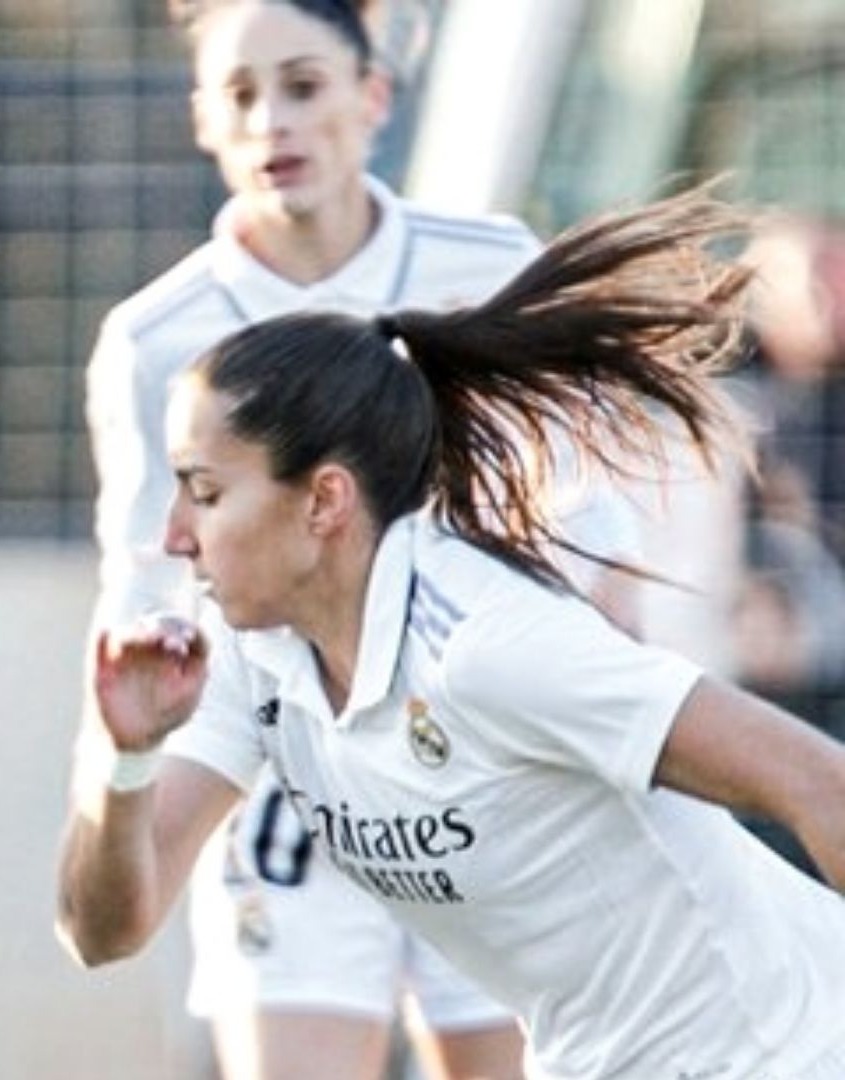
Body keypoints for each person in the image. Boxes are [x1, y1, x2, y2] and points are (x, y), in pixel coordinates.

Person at [57, 188, 845, 1079]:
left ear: (323, 502)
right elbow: (102, 930)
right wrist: (125, 761)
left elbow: (821, 784)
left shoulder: (489, 645)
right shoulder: (252, 653)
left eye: (205, 492)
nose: (172, 536)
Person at [84, 2, 641, 1075]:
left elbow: (585, 508)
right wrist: (131, 764)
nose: (273, 121)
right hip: (292, 785)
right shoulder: (157, 336)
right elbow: (144, 573)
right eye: (240, 95)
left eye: (303, 85)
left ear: (370, 97)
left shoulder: (487, 265)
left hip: (478, 769)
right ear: (205, 119)